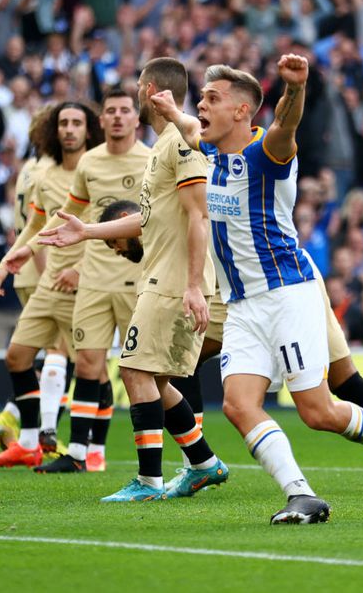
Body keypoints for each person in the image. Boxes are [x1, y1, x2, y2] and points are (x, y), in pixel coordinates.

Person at [124, 57, 363, 523]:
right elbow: (190, 124)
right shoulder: (207, 151)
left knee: (318, 411)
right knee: (237, 406)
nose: (202, 106)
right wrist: (172, 111)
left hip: (287, 296)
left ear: (242, 112)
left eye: (213, 98)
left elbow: (286, 125)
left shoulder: (267, 152)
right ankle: (301, 495)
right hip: (241, 306)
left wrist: (295, 89)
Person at [41, 59, 229, 502]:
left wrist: (191, 286)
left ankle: (149, 481)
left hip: (173, 281)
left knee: (133, 371)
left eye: (137, 92)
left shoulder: (178, 145)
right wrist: (87, 231)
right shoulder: (163, 144)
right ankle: (204, 464)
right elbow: (146, 221)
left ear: (148, 91)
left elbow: (198, 214)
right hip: (158, 276)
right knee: (156, 380)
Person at [24, 88, 150, 475]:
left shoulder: (150, 159)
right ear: (103, 121)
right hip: (94, 278)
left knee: (144, 372)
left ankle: (166, 455)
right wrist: (29, 247)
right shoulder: (90, 163)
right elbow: (69, 212)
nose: (116, 117)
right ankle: (79, 453)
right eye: (110, 111)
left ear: (136, 119)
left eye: (124, 111)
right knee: (89, 364)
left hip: (136, 277)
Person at [0, 101, 101, 467]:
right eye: (63, 123)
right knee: (17, 356)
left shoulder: (96, 171)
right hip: (48, 282)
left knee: (89, 366)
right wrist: (7, 262)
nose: (68, 129)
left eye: (76, 123)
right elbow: (35, 226)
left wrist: (82, 268)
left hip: (88, 283)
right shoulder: (45, 177)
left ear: (87, 130)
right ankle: (32, 441)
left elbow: (105, 229)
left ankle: (88, 452)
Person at [0, 105, 54, 451]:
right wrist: (48, 276)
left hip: (24, 269)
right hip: (44, 267)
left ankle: (23, 425)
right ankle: (24, 426)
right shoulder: (51, 170)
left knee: (51, 356)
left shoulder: (28, 167)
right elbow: (41, 226)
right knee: (63, 356)